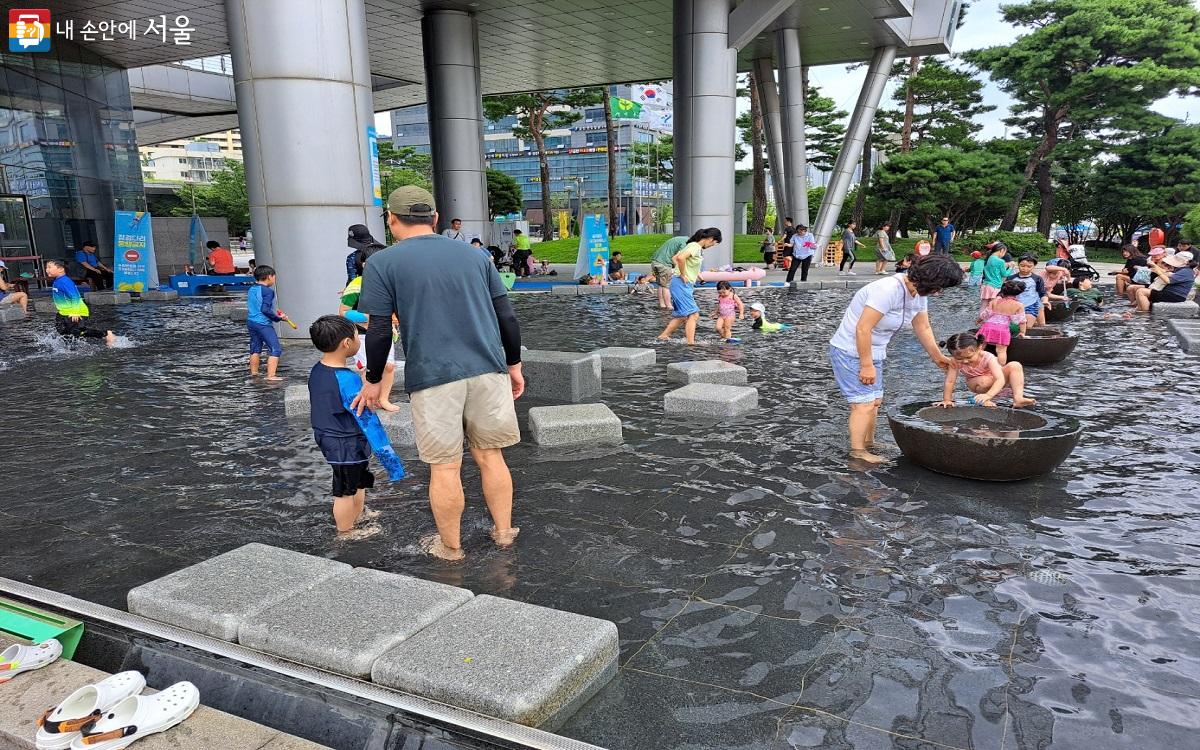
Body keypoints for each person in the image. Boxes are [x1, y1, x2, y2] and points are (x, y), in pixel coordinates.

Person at [354, 185, 524, 561]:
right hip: (488, 369)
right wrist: (513, 365)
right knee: (491, 457)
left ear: (392, 220)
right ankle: (504, 534)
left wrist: (371, 382)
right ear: (434, 218)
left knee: (445, 467)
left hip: (433, 376)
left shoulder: (383, 263)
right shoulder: (476, 256)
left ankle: (451, 548)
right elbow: (506, 317)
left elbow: (380, 330)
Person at [828, 255, 963, 464]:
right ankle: (857, 452)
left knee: (874, 402)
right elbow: (863, 328)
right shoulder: (887, 290)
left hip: (875, 350)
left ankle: (869, 444)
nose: (939, 292)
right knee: (862, 404)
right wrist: (866, 365)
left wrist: (937, 357)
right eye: (940, 287)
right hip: (851, 351)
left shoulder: (918, 293)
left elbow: (923, 326)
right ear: (930, 280)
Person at [307, 315, 382, 540]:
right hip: (344, 440)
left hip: (330, 435)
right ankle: (345, 532)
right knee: (344, 490)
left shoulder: (318, 370)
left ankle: (358, 516)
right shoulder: (346, 379)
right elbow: (363, 410)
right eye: (357, 335)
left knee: (357, 480)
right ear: (346, 344)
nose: (359, 338)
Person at [340, 243, 401, 412]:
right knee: (368, 368)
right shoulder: (356, 284)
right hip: (361, 334)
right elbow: (343, 312)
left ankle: (383, 399)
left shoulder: (391, 283)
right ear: (365, 264)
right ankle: (365, 398)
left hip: (385, 332)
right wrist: (370, 317)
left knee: (389, 366)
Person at [655, 228, 722, 345]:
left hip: (682, 284)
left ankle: (663, 336)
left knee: (682, 315)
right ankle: (691, 344)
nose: (713, 246)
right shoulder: (695, 247)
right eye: (715, 243)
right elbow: (680, 258)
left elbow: (675, 258)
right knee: (693, 314)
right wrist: (682, 274)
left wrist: (693, 274)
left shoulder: (692, 246)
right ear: (711, 239)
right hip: (681, 284)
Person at [935, 332, 1035, 409]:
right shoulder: (954, 362)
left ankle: (1018, 398)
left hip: (997, 382)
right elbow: (950, 381)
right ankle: (984, 400)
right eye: (960, 359)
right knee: (984, 381)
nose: (965, 361)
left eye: (969, 357)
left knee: (1015, 365)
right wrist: (947, 400)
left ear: (979, 348)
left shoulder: (988, 357)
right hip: (977, 383)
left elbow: (1000, 379)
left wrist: (988, 395)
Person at [44, 259, 116, 346]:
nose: (46, 269)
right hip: (64, 312)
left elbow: (75, 297)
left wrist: (75, 312)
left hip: (76, 312)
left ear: (60, 269)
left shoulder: (65, 281)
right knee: (62, 331)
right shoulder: (58, 280)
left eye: (49, 267)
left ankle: (106, 334)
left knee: (77, 331)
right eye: (46, 267)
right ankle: (69, 348)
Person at [247, 265, 289, 381]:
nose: (274, 279)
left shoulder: (252, 289)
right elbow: (264, 309)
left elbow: (257, 305)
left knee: (255, 348)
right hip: (263, 324)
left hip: (251, 322)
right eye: (274, 277)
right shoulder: (268, 292)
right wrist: (279, 318)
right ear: (269, 276)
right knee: (275, 349)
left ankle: (254, 373)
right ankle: (271, 376)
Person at [977, 279, 1028, 365]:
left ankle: (976, 364)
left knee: (980, 347)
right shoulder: (1018, 305)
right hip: (1002, 329)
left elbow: (985, 314)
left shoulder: (995, 301)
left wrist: (978, 320)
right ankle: (1000, 369)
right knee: (1001, 351)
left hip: (988, 327)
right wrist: (1022, 332)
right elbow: (1021, 320)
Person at [1007, 255, 1050, 327]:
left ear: (1034, 266)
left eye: (1029, 266)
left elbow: (1042, 292)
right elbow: (1005, 292)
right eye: (1022, 265)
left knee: (1030, 327)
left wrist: (1045, 300)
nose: (1025, 268)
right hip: (1015, 306)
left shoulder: (1037, 279)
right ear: (1018, 264)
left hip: (1031, 305)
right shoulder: (1011, 278)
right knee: (1015, 328)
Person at [650, 235, 685, 310]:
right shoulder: (687, 243)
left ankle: (662, 305)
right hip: (664, 264)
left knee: (661, 284)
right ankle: (669, 306)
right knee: (666, 286)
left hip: (655, 261)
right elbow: (677, 258)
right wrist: (679, 271)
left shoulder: (681, 239)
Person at [979, 241, 1010, 315]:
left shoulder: (989, 258)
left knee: (984, 305)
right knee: (995, 305)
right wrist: (1011, 268)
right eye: (1004, 253)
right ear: (1002, 250)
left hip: (986, 285)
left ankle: (981, 320)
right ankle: (992, 321)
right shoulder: (1000, 261)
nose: (1003, 255)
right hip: (995, 286)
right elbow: (1004, 274)